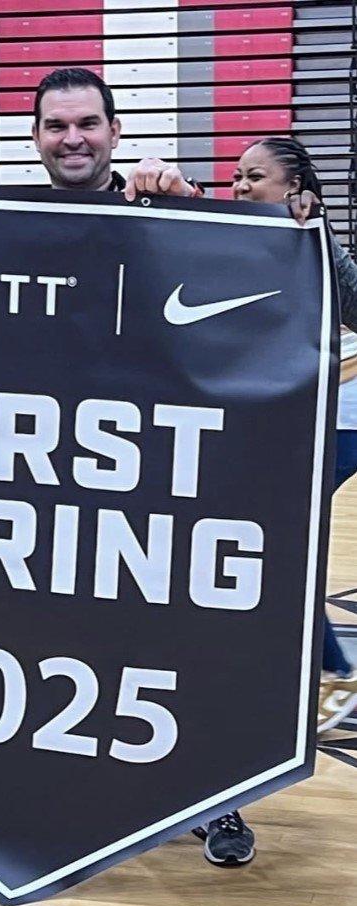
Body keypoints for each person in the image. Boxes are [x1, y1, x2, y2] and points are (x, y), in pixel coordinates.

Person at [0, 65, 256, 869]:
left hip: (149, 484)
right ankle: (40, 804)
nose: (71, 138)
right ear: (33, 137)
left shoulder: (157, 209)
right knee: (41, 651)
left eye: (86, 124)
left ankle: (216, 802)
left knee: (181, 650)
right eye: (54, 125)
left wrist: (192, 211)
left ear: (113, 130)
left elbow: (257, 300)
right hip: (40, 485)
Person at [231, 136, 357, 733]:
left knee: (283, 543)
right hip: (294, 421)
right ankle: (320, 669)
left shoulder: (313, 239)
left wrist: (318, 236)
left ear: (294, 189)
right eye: (237, 176)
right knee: (279, 543)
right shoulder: (255, 241)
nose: (240, 186)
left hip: (342, 419)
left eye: (254, 176)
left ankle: (335, 672)